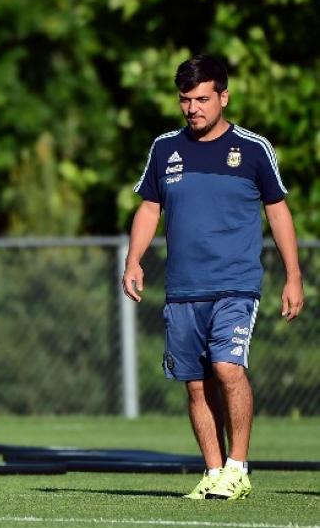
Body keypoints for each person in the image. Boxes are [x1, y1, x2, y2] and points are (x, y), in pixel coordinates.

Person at [122, 54, 304, 501]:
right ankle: (213, 470)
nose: (193, 108)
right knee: (196, 382)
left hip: (236, 284)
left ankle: (238, 468)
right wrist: (133, 260)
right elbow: (149, 207)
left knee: (228, 366)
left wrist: (292, 275)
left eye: (202, 98)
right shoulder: (165, 149)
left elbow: (278, 212)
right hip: (183, 288)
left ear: (224, 96)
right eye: (185, 99)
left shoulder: (254, 149)